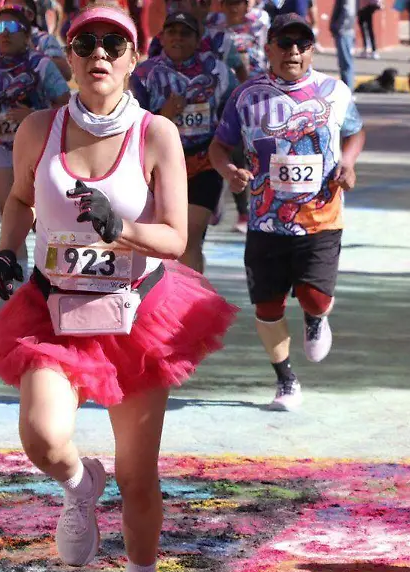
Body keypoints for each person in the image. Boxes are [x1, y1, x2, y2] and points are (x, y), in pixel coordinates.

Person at [0, 1, 238, 572]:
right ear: (68, 55)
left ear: (132, 59)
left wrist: (122, 230)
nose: (99, 54)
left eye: (113, 45)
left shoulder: (155, 134)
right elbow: (21, 198)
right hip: (54, 308)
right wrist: (6, 249)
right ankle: (78, 482)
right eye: (86, 42)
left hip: (136, 312)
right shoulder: (39, 128)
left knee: (138, 474)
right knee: (42, 436)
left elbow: (175, 237)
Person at [209, 13, 365, 411]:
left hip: (321, 216)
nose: (293, 51)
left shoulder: (334, 91)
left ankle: (316, 317)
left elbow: (355, 132)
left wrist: (348, 163)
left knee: (314, 297)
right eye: (284, 43)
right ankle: (285, 379)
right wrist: (229, 171)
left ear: (311, 50)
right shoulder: (246, 96)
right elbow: (219, 146)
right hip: (265, 221)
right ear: (269, 48)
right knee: (267, 306)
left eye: (302, 44)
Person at [132, 8, 239, 272]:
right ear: (162, 37)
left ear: (197, 39)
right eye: (172, 32)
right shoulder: (144, 74)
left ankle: (192, 298)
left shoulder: (218, 72)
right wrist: (163, 116)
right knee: (165, 239)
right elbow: (132, 127)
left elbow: (234, 112)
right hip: (161, 166)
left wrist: (225, 148)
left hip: (204, 163)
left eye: (185, 33)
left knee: (189, 238)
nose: (177, 38)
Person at [0, 1, 71, 228]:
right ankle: (16, 252)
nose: (5, 34)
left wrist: (34, 116)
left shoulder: (41, 65)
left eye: (12, 28)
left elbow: (66, 104)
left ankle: (42, 247)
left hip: (39, 146)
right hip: (0, 145)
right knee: (9, 214)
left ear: (26, 35)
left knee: (39, 218)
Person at [209, 0, 272, 230]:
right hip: (224, 95)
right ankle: (237, 210)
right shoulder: (213, 26)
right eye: (229, 2)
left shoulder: (259, 22)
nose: (234, 7)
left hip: (257, 95)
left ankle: (257, 205)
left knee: (253, 151)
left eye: (239, 2)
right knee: (230, 149)